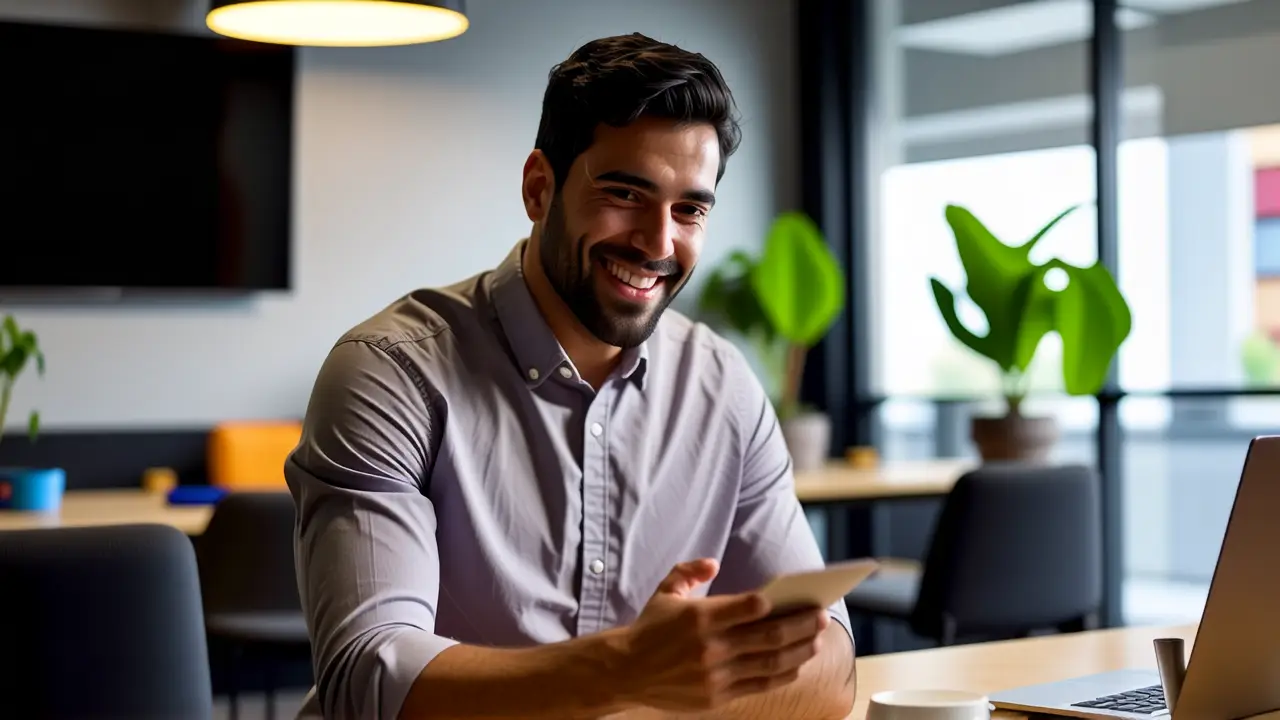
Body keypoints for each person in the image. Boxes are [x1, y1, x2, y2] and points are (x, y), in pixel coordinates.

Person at [286, 32, 857, 720]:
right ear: (539, 188)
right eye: (625, 192)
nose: (658, 242)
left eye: (690, 210)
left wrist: (638, 693)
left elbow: (829, 666)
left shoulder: (723, 386)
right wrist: (625, 670)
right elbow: (368, 679)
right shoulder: (390, 373)